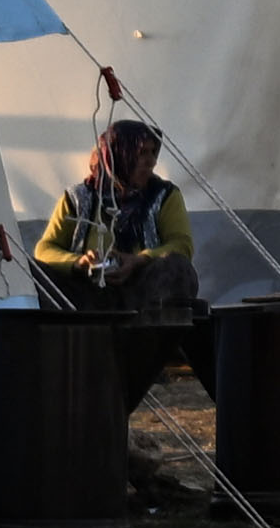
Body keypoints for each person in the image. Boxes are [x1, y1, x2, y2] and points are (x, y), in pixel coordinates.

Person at [31, 118, 201, 387]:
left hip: (140, 292)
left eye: (152, 153)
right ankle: (75, 355)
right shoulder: (78, 197)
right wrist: (79, 262)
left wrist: (139, 260)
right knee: (33, 271)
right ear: (118, 155)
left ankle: (148, 358)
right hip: (88, 294)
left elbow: (181, 244)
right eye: (140, 153)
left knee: (178, 268)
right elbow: (45, 248)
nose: (150, 161)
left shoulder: (164, 195)